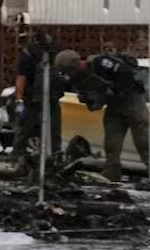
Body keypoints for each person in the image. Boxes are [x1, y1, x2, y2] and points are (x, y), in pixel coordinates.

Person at [55, 49, 150, 182]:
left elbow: (125, 73)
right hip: (114, 105)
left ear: (75, 64)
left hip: (132, 100)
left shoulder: (100, 63)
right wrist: (91, 100)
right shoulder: (78, 79)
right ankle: (111, 172)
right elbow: (93, 100)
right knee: (111, 141)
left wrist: (117, 91)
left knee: (143, 141)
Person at [11, 31, 64, 170]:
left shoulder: (28, 54)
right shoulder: (55, 54)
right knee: (53, 130)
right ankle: (54, 157)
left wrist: (19, 100)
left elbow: (21, 79)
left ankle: (18, 159)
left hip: (33, 99)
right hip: (49, 98)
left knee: (25, 130)